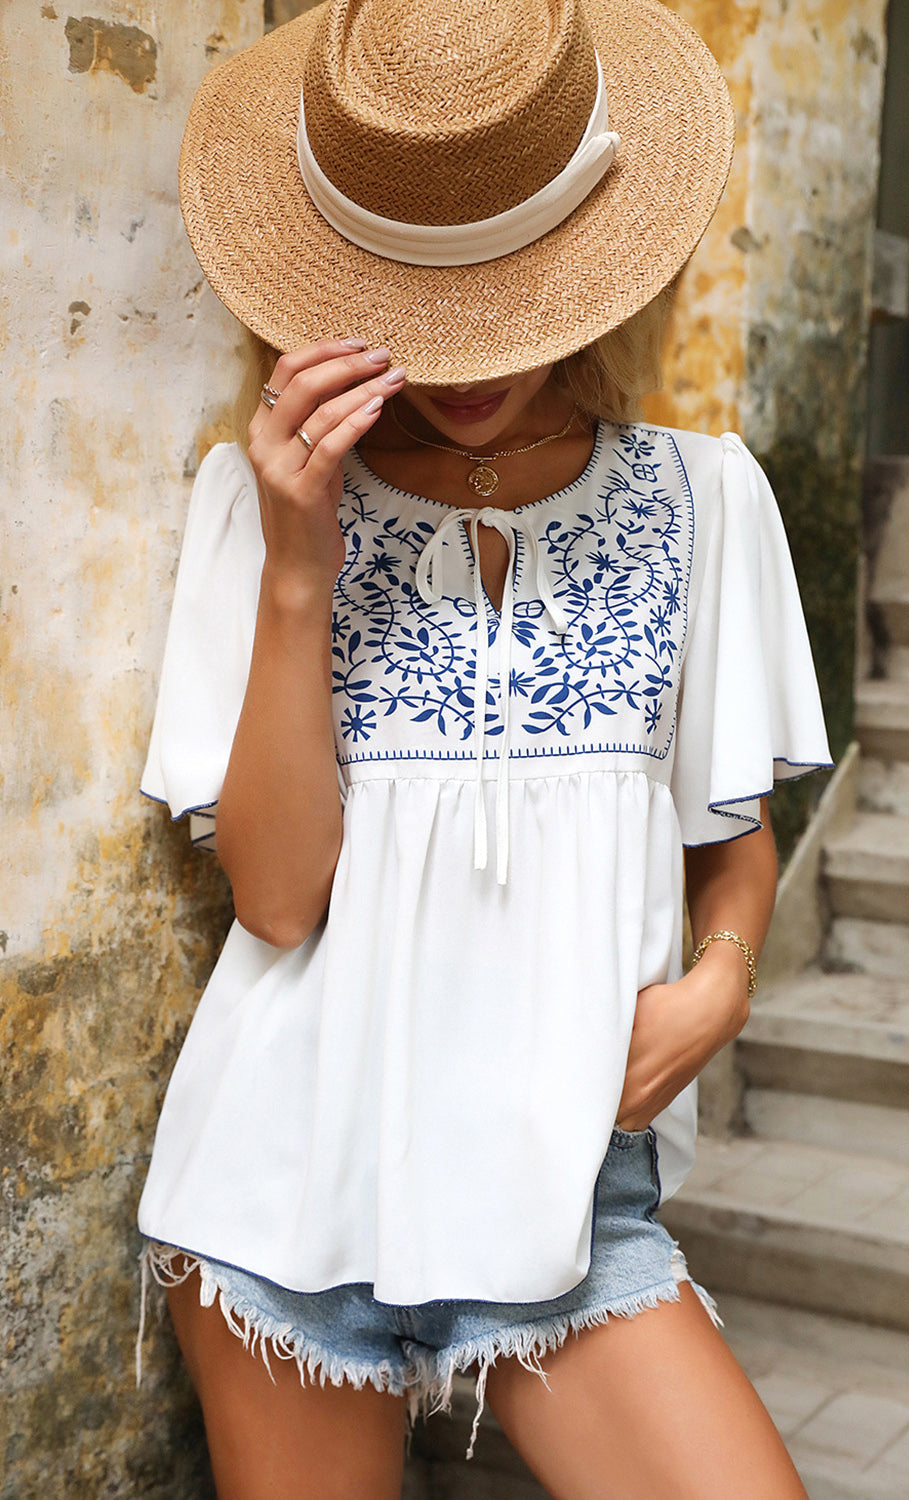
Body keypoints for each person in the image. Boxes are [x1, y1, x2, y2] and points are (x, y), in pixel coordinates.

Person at [136, 0, 833, 1494]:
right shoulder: (247, 504)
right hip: (286, 1187)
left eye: (499, 298)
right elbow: (274, 902)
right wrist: (295, 564)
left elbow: (732, 837)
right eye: (406, 300)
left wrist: (721, 988)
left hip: (574, 1201)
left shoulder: (708, 500)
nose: (462, 365)